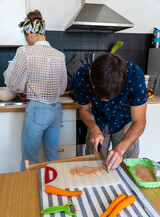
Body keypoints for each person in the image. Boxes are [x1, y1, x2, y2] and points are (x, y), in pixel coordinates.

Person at [4, 10, 67, 171]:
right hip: (56, 111)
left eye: (26, 36)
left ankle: (27, 194)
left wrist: (28, 88)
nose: (26, 39)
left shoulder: (25, 52)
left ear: (31, 32)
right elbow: (62, 88)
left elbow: (11, 82)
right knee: (52, 156)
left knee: (29, 159)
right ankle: (53, 192)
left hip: (37, 110)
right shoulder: (59, 55)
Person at [73, 53, 148, 172]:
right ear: (90, 74)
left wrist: (120, 149)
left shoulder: (135, 75)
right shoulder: (81, 76)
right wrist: (93, 128)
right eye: (99, 94)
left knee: (128, 168)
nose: (105, 100)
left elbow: (139, 122)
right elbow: (84, 109)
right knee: (93, 165)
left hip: (126, 122)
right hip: (97, 121)